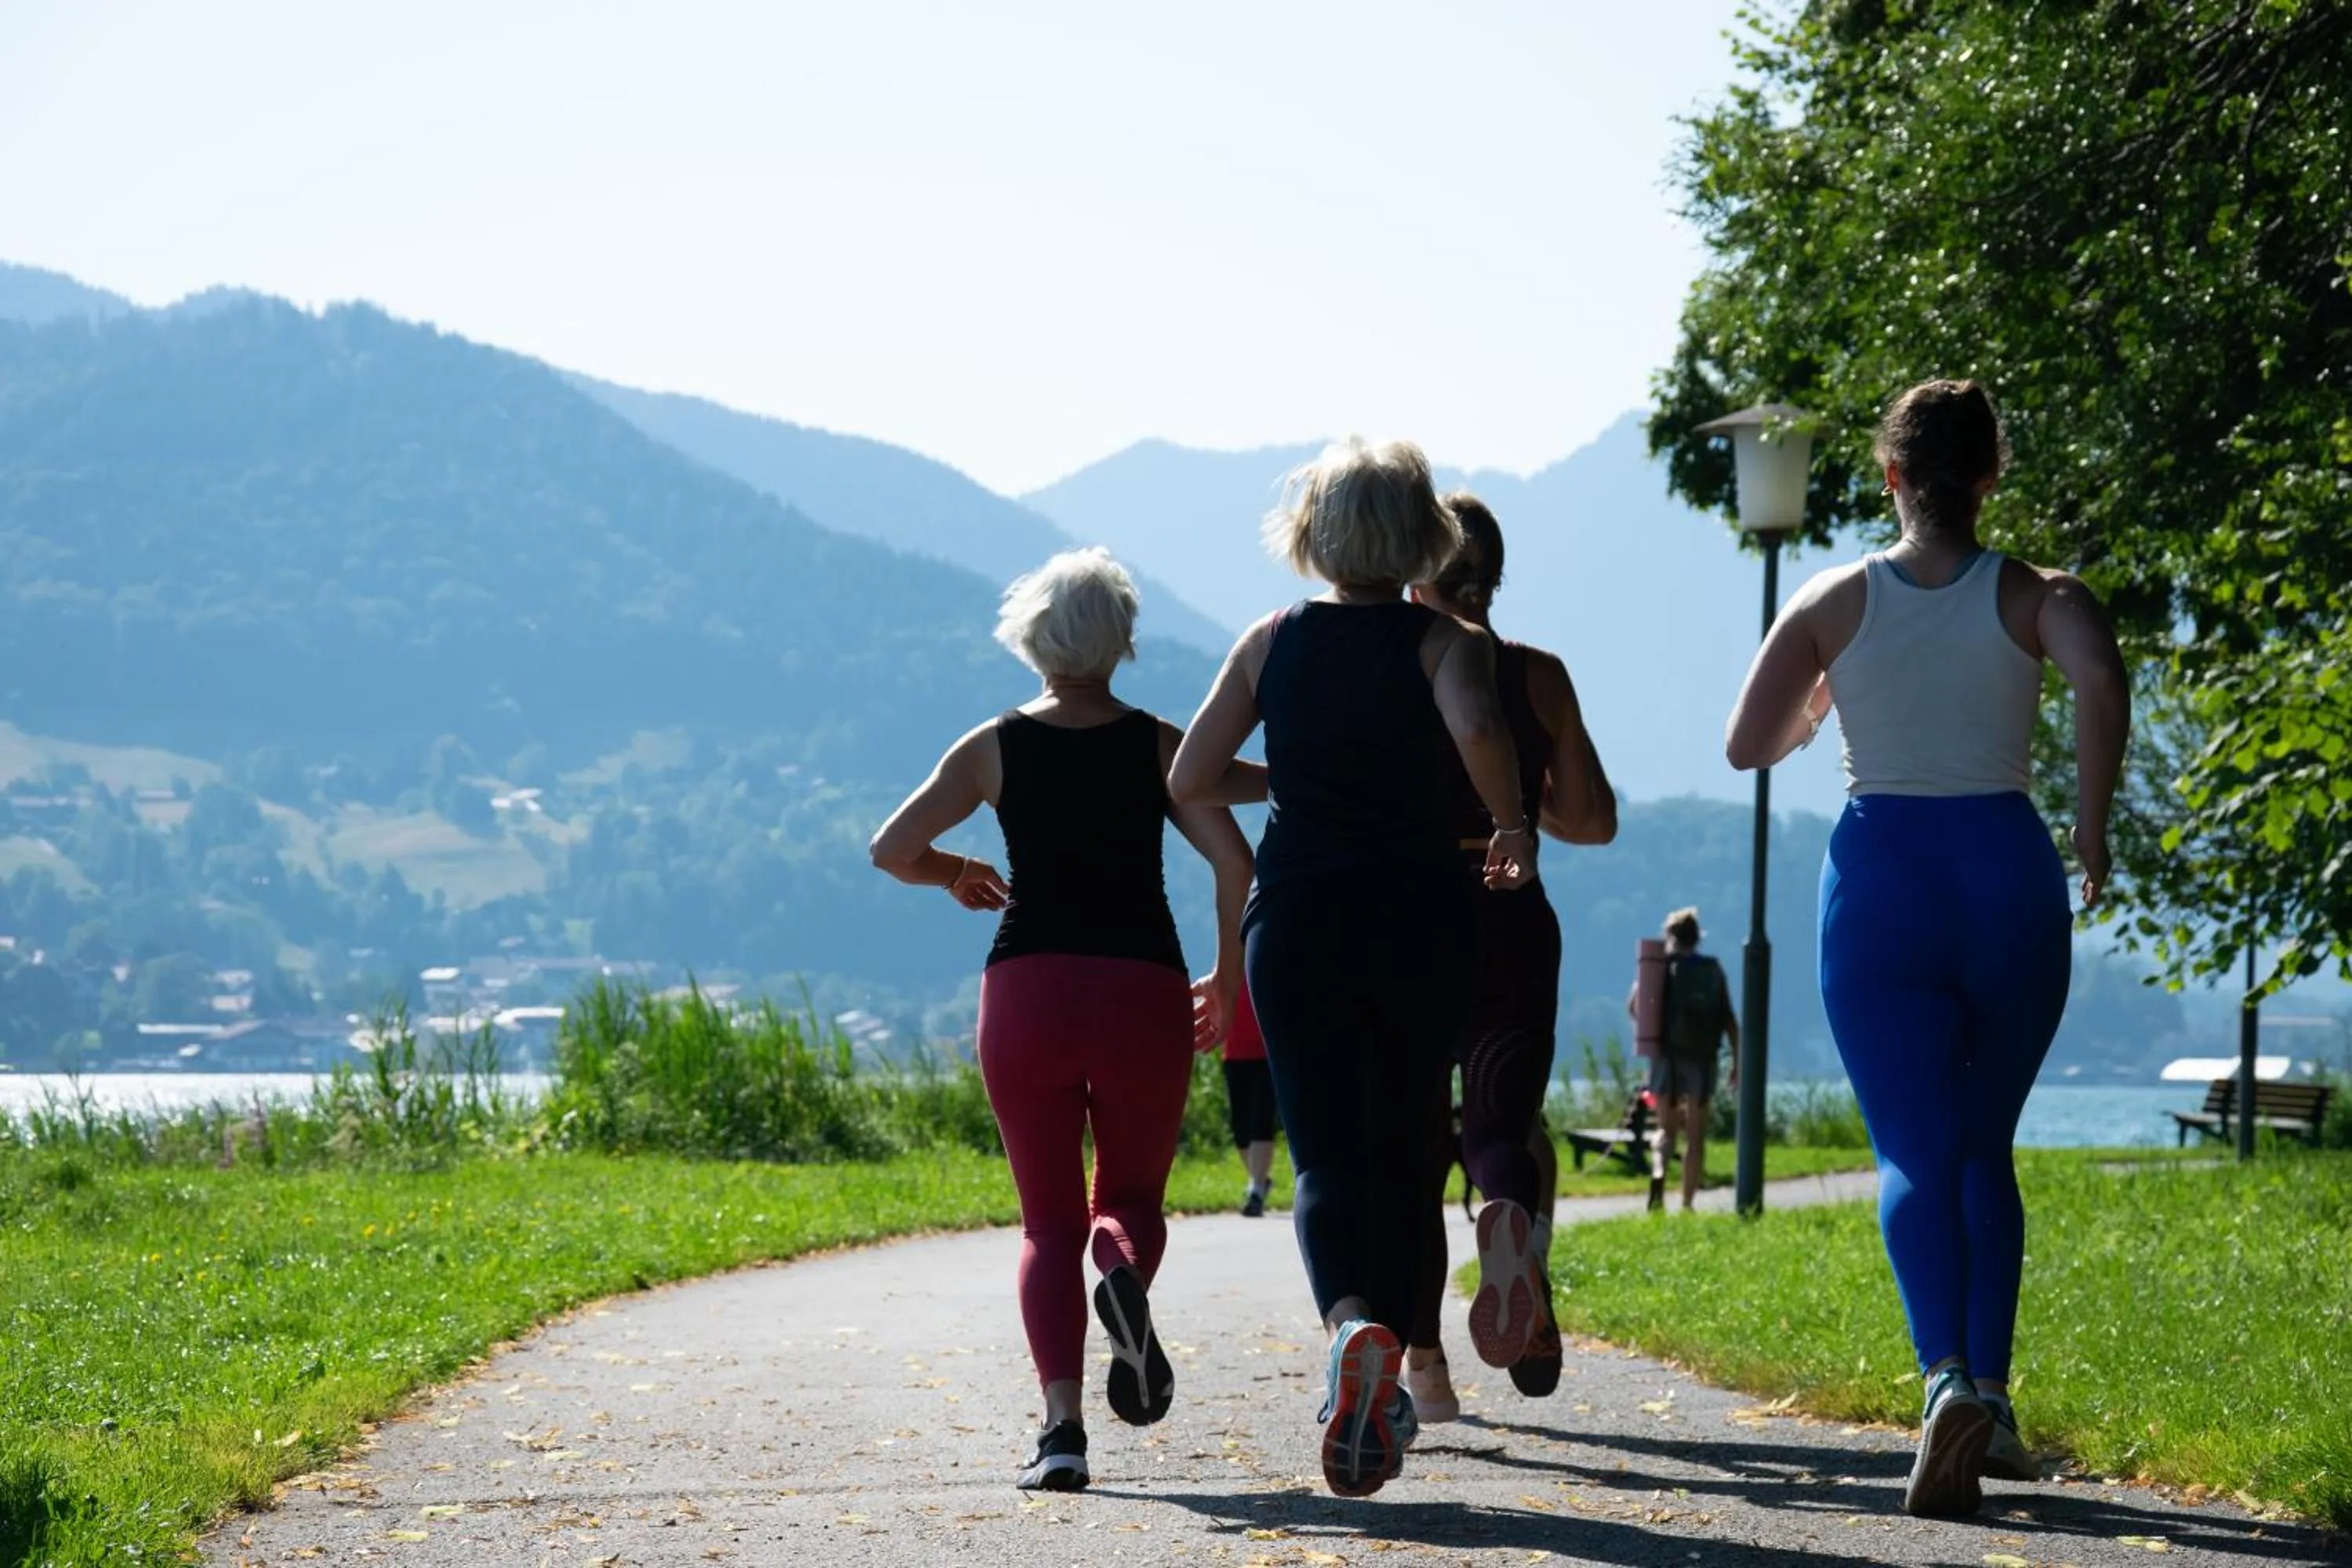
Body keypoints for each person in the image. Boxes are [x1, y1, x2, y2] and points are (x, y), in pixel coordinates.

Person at [1726, 379, 2129, 1518]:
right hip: (2006, 877)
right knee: (1982, 1147)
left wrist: (1817, 709)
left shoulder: (1832, 599)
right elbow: (2100, 681)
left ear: (1889, 475)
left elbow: (1746, 743)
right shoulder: (2041, 596)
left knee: (1911, 1147)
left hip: (1882, 880)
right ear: (1992, 473)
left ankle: (1942, 1377)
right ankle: (1991, 1401)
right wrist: (2088, 827)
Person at [1169, 437, 1535, 1499]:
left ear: (1312, 534)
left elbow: (1192, 775)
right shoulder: (1445, 641)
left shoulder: (1268, 641)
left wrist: (1294, 771)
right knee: (1406, 1143)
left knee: (1324, 1153)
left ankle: (1349, 1333)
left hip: (1298, 916)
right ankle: (1401, 1357)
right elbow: (1476, 728)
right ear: (1424, 535)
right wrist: (1510, 822)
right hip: (1420, 910)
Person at [869, 547, 1254, 1494]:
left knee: (1046, 1220)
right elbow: (1234, 863)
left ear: (1032, 637)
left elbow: (891, 847)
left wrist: (957, 870)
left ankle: (1063, 1432)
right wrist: (1229, 975)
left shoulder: (991, 745)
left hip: (1029, 991)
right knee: (1128, 1200)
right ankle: (1119, 1268)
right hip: (1142, 991)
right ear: (1122, 640)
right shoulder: (1162, 744)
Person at [1399, 492, 1617, 1419]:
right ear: (1494, 575)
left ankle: (1428, 1367)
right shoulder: (1541, 674)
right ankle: (1517, 1245)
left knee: (1410, 1142)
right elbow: (1594, 819)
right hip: (1511, 910)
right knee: (1506, 1126)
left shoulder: (1392, 665)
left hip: (1405, 915)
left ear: (1417, 574)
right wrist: (1519, 814)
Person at [1624, 906, 1738, 1213]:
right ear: (1697, 937)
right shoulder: (1712, 969)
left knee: (1665, 1129)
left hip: (1666, 1059)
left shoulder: (1659, 967)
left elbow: (1635, 1007)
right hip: (1703, 1059)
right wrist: (1738, 1064)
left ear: (1670, 937)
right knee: (1696, 1137)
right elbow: (1729, 1019)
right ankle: (1687, 1203)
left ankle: (1659, 1171)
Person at [1223, 979, 1279, 1216]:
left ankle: (1255, 1190)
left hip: (1267, 1053)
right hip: (1234, 1055)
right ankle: (1260, 1179)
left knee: (1260, 1122)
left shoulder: (1266, 952)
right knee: (1241, 1130)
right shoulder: (1227, 960)